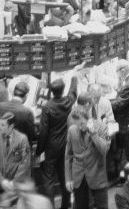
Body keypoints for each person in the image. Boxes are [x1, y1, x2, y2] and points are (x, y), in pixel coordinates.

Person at [38, 74, 79, 209]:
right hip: (66, 145)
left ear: (51, 91)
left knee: (49, 180)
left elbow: (43, 131)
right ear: (63, 90)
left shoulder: (47, 107)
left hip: (51, 147)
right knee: (64, 177)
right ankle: (65, 206)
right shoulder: (68, 101)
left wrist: (39, 151)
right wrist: (74, 76)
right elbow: (73, 91)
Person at [65, 108, 110, 209]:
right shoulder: (72, 130)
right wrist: (68, 179)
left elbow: (105, 150)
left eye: (82, 123)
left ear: (88, 119)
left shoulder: (102, 127)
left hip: (97, 176)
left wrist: (93, 133)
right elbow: (68, 156)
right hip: (79, 178)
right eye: (77, 124)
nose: (80, 127)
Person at [0, 111, 32, 192]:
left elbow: (25, 162)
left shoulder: (22, 139)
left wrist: (14, 182)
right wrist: (1, 180)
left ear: (11, 126)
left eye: (2, 125)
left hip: (18, 185)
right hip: (1, 185)